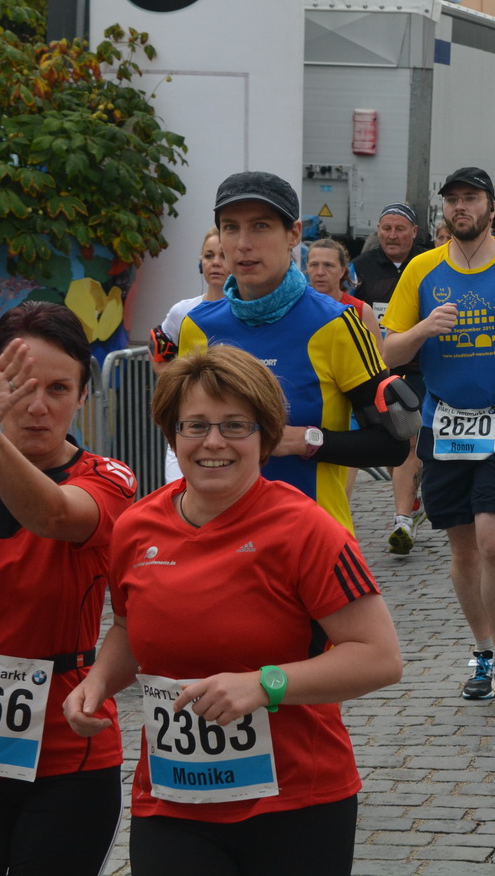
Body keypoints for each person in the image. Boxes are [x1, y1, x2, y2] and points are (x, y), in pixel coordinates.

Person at [64, 345, 403, 875]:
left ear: (265, 437)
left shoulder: (307, 530)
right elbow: (130, 628)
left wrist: (262, 685)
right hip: (174, 797)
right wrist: (97, 682)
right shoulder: (135, 528)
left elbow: (380, 658)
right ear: (172, 434)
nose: (213, 442)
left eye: (235, 426)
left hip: (296, 803)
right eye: (194, 425)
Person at [0, 299, 136, 876]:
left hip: (65, 757)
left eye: (60, 389)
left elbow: (55, 517)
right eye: (21, 386)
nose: (38, 407)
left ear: (84, 395)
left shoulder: (108, 478)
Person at [380, 167, 495, 709]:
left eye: (471, 199)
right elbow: (388, 352)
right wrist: (422, 331)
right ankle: (482, 651)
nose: (460, 208)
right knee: (462, 548)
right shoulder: (420, 270)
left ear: (490, 208)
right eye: (453, 200)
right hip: (445, 421)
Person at [178, 172, 414, 535]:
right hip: (218, 537)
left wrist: (305, 440)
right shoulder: (197, 327)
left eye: (260, 227)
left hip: (310, 540)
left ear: (293, 234)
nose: (243, 244)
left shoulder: (335, 323)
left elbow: (392, 446)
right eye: (230, 228)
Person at [352, 202, 431, 556]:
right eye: (386, 228)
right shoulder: (363, 268)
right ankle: (409, 500)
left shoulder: (427, 264)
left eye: (400, 228)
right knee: (395, 442)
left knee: (412, 441)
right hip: (378, 371)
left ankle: (402, 517)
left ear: (414, 232)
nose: (392, 235)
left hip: (420, 369)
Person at [152, 227, 231, 482]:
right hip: (187, 423)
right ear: (200, 263)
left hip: (231, 425)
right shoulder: (182, 311)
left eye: (223, 255)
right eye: (209, 256)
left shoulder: (252, 312)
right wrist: (179, 389)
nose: (215, 263)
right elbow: (158, 349)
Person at [305, 238, 382, 342]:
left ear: (342, 271)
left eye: (328, 265)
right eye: (314, 265)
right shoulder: (295, 307)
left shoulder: (360, 311)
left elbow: (378, 356)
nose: (320, 272)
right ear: (307, 268)